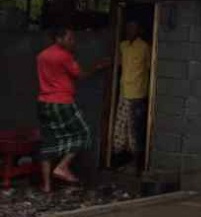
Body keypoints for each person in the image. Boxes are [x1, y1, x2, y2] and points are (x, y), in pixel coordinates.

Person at [37, 28, 108, 193]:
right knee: (84, 134)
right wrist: (98, 66)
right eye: (70, 39)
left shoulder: (42, 55)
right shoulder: (64, 56)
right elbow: (80, 75)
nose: (73, 42)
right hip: (62, 102)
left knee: (48, 141)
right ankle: (62, 166)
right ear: (59, 38)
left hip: (43, 103)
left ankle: (47, 185)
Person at [112, 21, 151, 173]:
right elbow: (119, 64)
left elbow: (149, 67)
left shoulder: (144, 47)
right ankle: (124, 162)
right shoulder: (122, 46)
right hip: (124, 91)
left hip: (137, 93)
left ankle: (136, 165)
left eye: (133, 28)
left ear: (139, 30)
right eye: (128, 28)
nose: (130, 30)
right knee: (122, 128)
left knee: (135, 130)